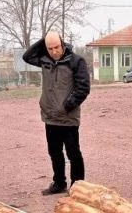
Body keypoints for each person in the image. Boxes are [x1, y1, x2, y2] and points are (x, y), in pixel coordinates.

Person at [22, 31, 90, 196]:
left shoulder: (76, 61)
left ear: (62, 43)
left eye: (57, 47)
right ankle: (59, 183)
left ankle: (78, 187)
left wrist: (66, 106)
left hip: (68, 118)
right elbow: (27, 56)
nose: (54, 51)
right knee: (54, 152)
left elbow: (83, 88)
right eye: (50, 48)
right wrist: (45, 39)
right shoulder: (44, 60)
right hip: (50, 117)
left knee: (73, 154)